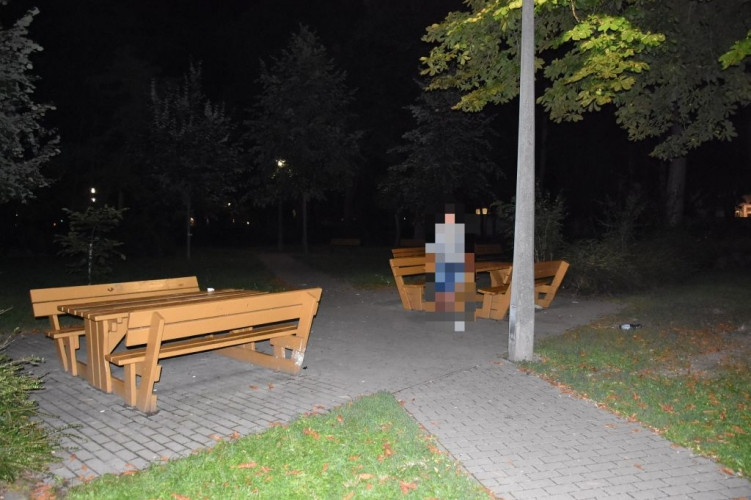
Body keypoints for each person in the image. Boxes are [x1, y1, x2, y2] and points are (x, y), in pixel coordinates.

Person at [425, 204, 475, 332]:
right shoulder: (437, 233)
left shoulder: (461, 233)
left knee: (458, 288)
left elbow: (467, 254)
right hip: (443, 265)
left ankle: (458, 316)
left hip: (457, 265)